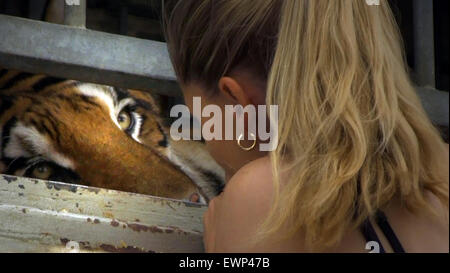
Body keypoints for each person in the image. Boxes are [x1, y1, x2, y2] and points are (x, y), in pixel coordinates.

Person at [163, 0, 449, 252]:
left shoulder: (263, 199)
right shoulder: (441, 171)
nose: (209, 144)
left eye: (204, 123)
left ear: (239, 105)